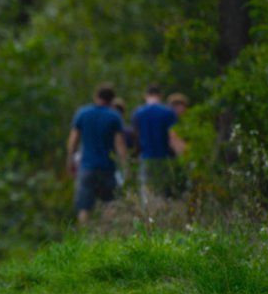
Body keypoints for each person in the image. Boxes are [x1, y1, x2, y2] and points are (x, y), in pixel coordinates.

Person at [66, 83, 129, 224]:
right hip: (107, 168)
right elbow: (120, 146)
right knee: (110, 204)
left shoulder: (82, 113)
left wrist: (69, 161)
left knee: (84, 206)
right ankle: (108, 236)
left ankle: (85, 238)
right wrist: (126, 167)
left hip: (86, 167)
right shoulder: (114, 117)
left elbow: (72, 142)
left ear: (96, 96)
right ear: (112, 100)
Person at [131, 84, 183, 202]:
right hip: (165, 158)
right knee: (165, 194)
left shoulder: (138, 113)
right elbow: (173, 138)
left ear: (145, 95)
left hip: (146, 158)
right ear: (160, 95)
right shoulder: (168, 113)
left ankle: (150, 218)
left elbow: (136, 139)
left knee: (148, 194)